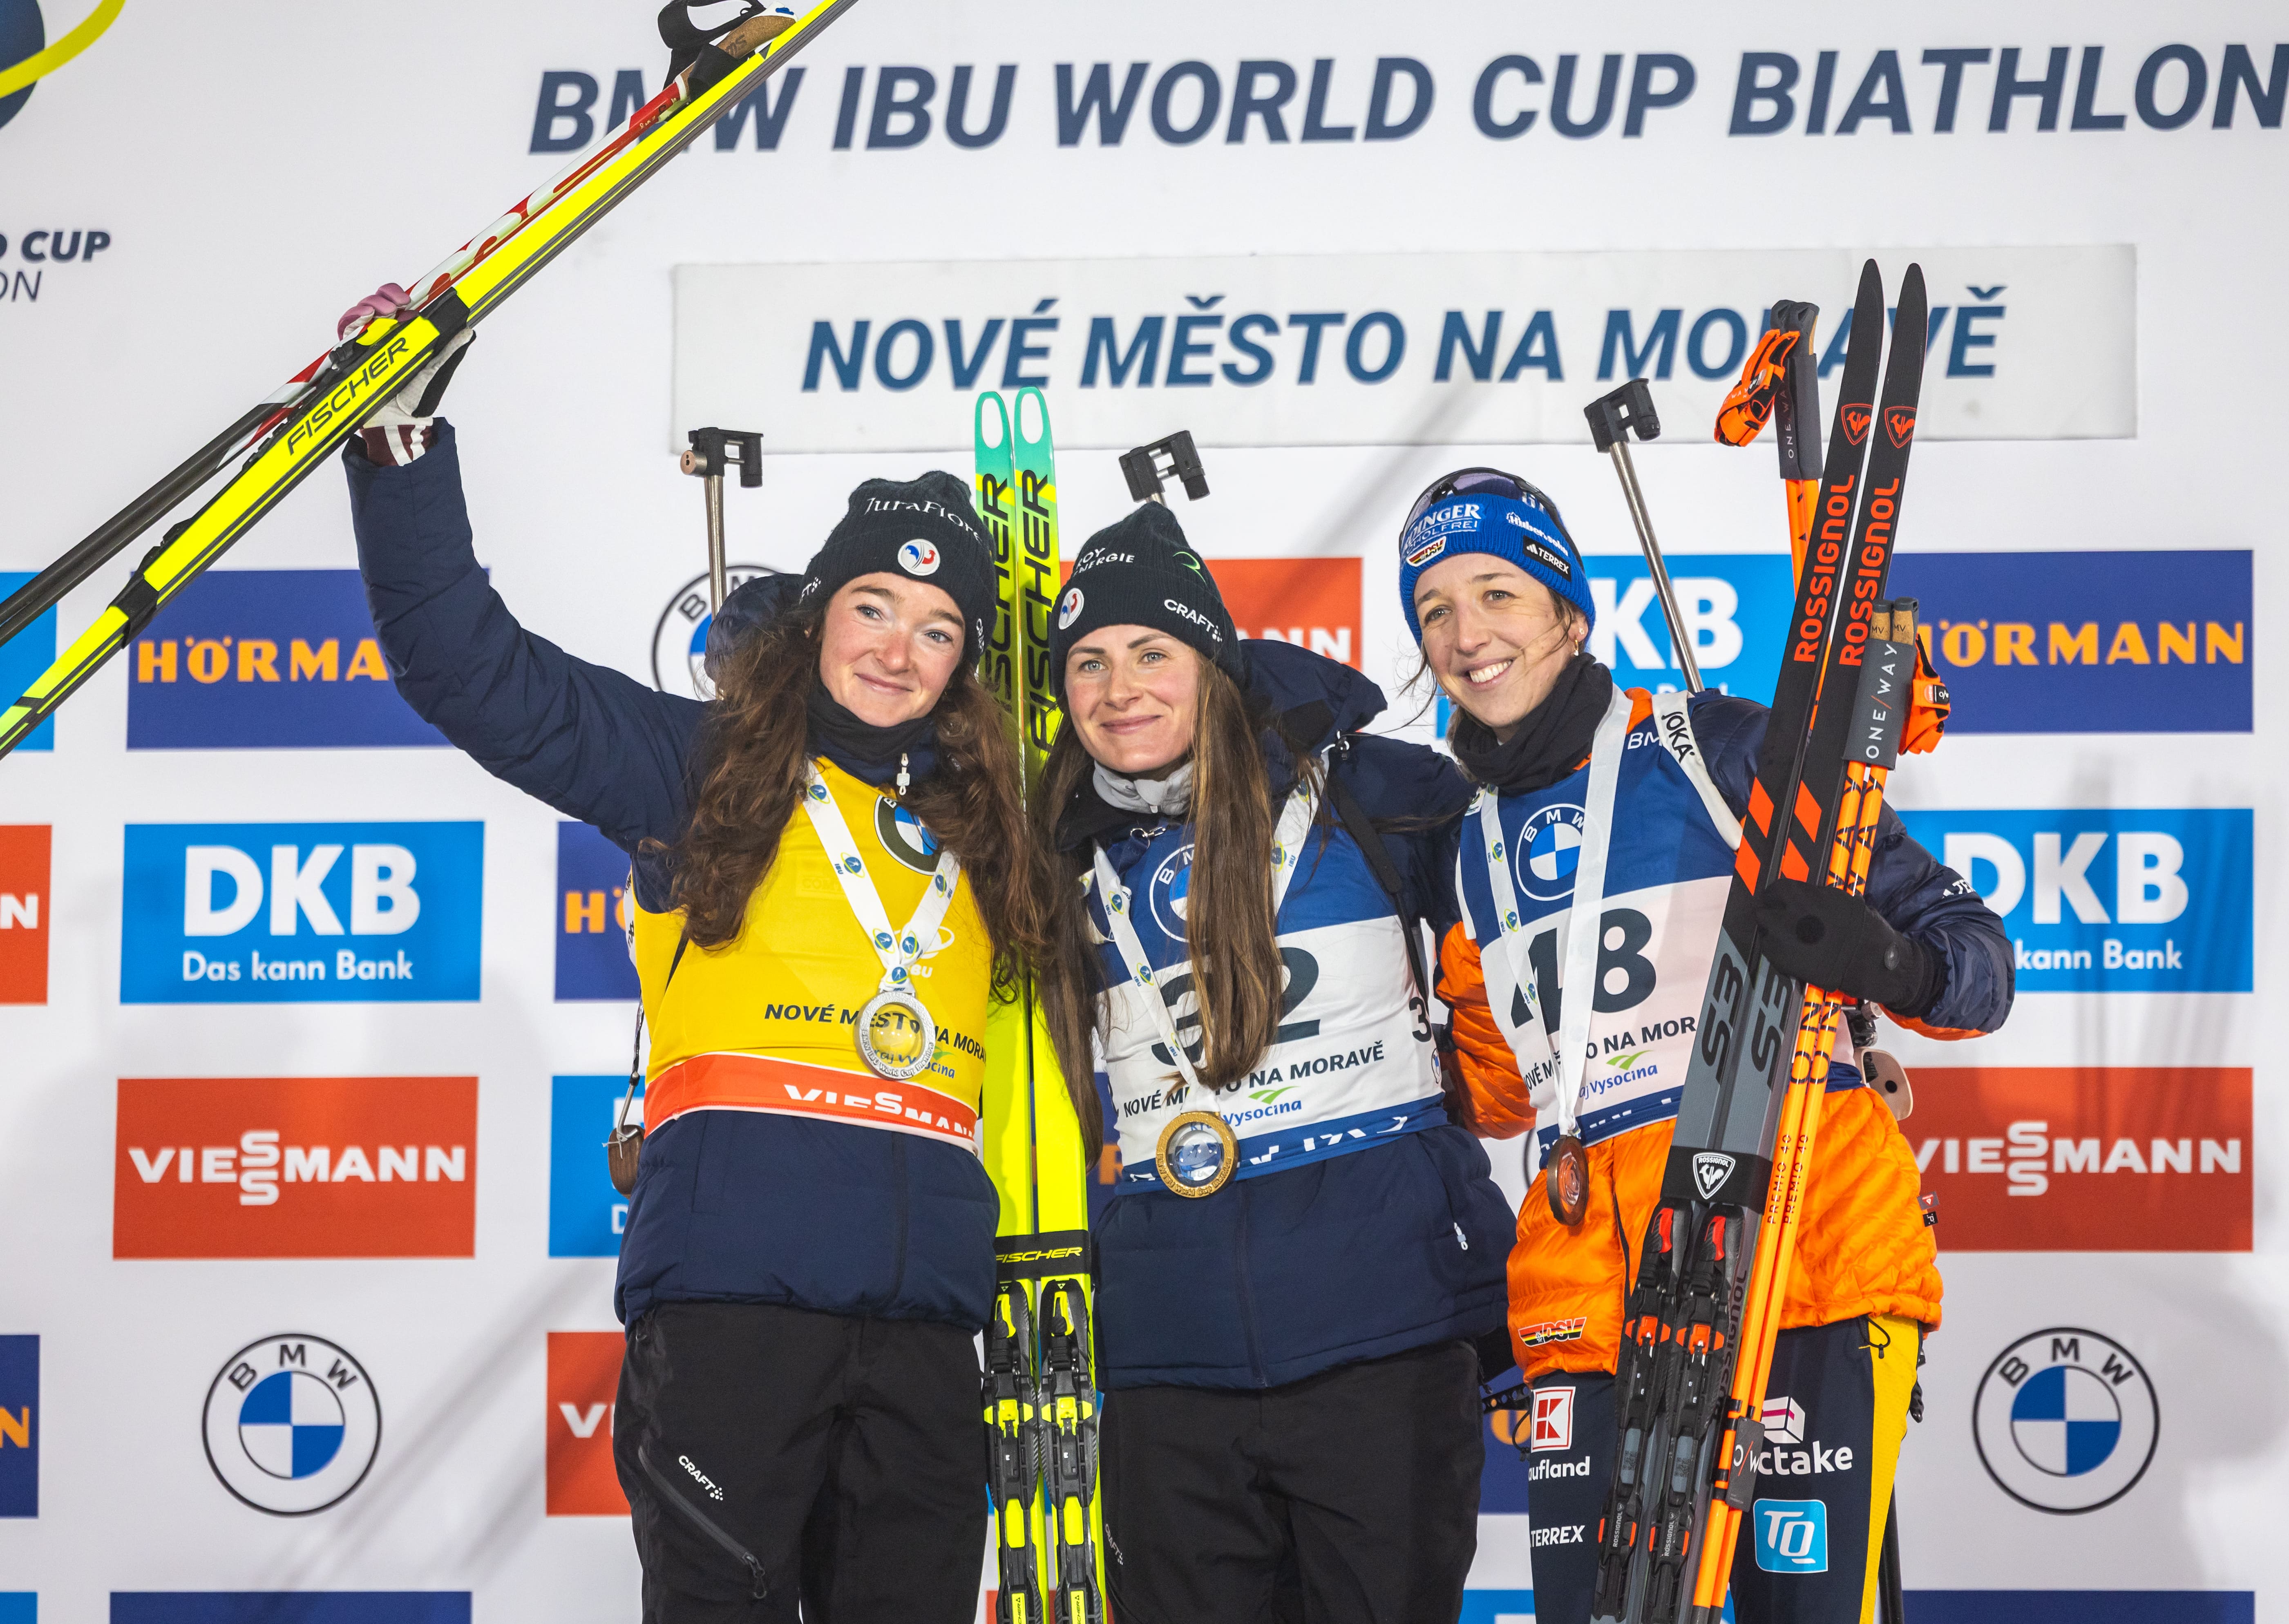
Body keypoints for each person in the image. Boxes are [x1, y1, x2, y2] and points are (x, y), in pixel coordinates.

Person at [337, 290, 1040, 1622]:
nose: (898, 651)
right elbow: (469, 670)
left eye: (938, 629)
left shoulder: (990, 825)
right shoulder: (701, 766)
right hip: (734, 1313)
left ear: (965, 663)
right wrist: (400, 448)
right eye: (874, 607)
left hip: (923, 1335)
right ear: (818, 616)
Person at [1399, 468, 2014, 1624]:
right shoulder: (1465, 843)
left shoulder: (1713, 749)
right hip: (1592, 1291)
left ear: (1568, 614)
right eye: (1435, 609)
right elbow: (1494, 1090)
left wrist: (1884, 964)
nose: (1467, 634)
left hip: (1803, 1253)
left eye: (1497, 594)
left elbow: (1973, 959)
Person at [1027, 501, 1516, 1624]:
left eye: (1152, 653)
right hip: (1167, 1361)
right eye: (1089, 663)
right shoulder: (1048, 854)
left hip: (1381, 1340)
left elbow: (1558, 884)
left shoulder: (1370, 792)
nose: (1119, 689)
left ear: (1215, 664)